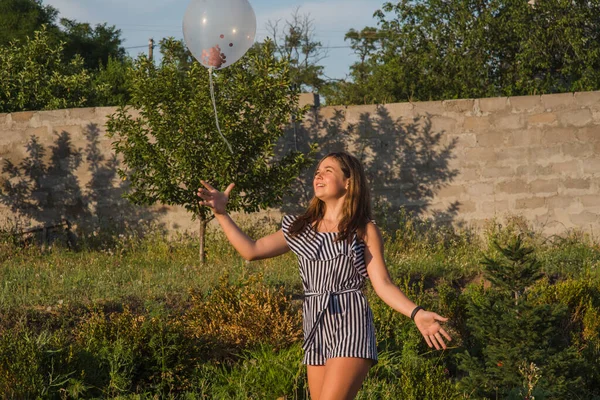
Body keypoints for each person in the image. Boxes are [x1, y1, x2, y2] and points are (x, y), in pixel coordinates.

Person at [197, 151, 452, 400]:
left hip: (349, 321)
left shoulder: (363, 230)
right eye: (317, 172)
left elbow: (382, 284)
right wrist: (221, 213)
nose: (318, 176)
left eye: (327, 171)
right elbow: (251, 250)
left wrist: (416, 313)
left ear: (348, 181)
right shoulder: (300, 228)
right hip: (314, 324)